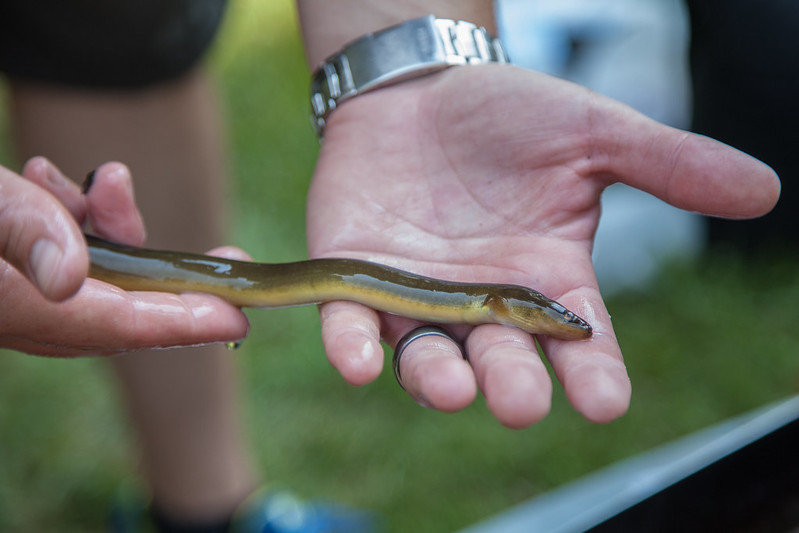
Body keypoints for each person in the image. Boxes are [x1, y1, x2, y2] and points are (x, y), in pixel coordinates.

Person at [0, 1, 780, 532]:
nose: (560, 322)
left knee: (117, 29)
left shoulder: (488, 296)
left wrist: (418, 68)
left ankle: (207, 510)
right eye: (554, 315)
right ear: (509, 306)